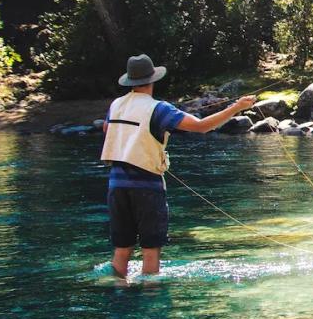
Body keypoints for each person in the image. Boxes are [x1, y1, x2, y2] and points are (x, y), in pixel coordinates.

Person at [100, 54, 255, 279]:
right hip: (147, 187)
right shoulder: (158, 108)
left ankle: (118, 295)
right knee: (150, 249)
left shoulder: (116, 105)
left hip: (116, 184)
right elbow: (201, 126)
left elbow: (107, 129)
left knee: (122, 248)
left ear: (130, 81)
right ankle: (151, 303)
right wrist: (236, 107)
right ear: (152, 80)